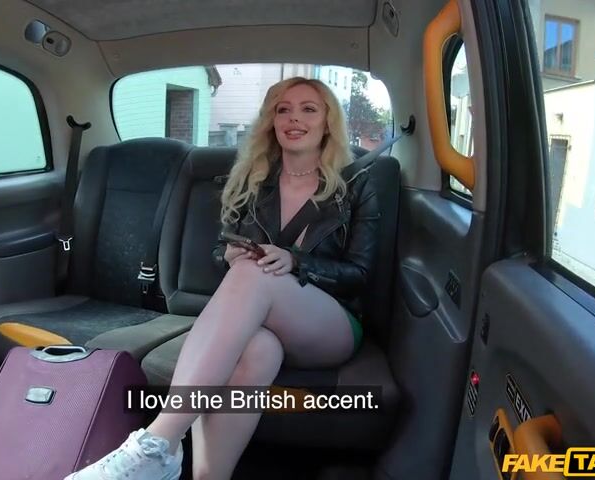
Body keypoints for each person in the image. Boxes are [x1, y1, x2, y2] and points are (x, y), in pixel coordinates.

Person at [66, 76, 380, 480]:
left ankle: (157, 443)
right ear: (271, 121)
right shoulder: (254, 179)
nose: (294, 119)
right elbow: (223, 248)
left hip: (329, 325)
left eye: (308, 109)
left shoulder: (355, 185)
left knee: (254, 274)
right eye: (283, 110)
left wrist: (296, 262)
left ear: (328, 122)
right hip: (261, 323)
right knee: (257, 350)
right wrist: (227, 256)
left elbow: (360, 274)